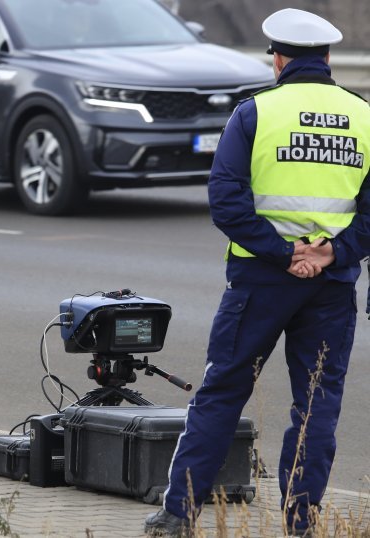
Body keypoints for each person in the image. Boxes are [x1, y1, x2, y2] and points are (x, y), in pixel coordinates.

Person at [144, 8, 370, 537]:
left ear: (278, 58)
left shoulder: (255, 114)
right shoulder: (363, 115)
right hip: (332, 287)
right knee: (316, 406)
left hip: (261, 282)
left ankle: (180, 515)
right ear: (330, 58)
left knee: (222, 393)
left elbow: (225, 201)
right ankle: (301, 524)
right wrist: (332, 254)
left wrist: (282, 252)